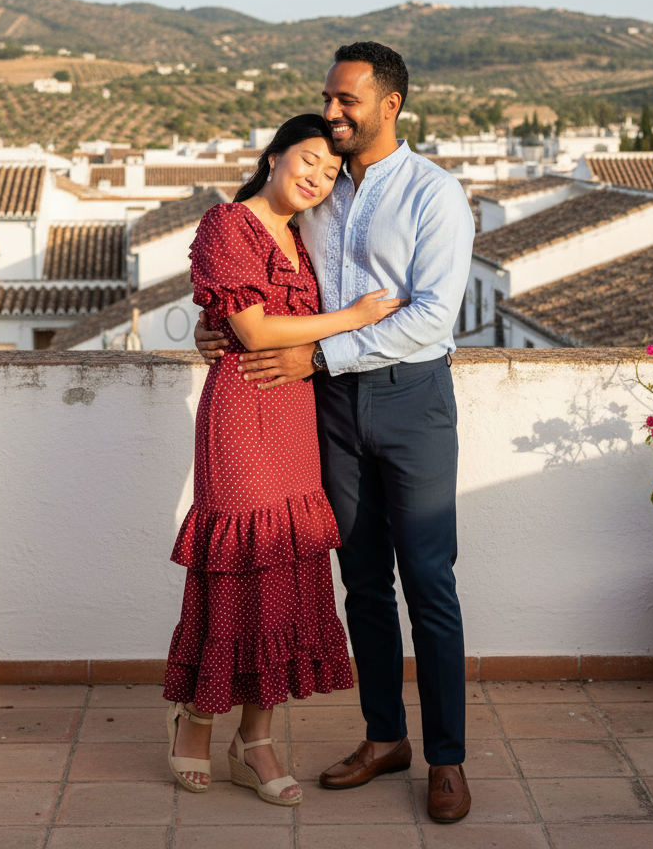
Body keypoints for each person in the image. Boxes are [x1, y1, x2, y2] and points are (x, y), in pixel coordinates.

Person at [194, 42, 476, 823]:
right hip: (329, 412)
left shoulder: (434, 194)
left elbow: (431, 316)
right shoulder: (315, 187)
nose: (333, 111)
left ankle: (447, 758)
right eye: (327, 97)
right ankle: (384, 738)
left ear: (391, 105)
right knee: (362, 584)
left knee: (429, 583)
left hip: (411, 401)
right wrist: (212, 328)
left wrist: (319, 353)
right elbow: (264, 281)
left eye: (348, 99)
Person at [165, 113, 406, 808]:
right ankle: (198, 720)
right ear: (273, 156)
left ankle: (256, 738)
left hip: (297, 414)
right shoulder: (227, 224)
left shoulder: (300, 239)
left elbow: (254, 327)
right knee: (239, 564)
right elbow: (255, 329)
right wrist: (356, 316)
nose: (317, 177)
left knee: (290, 567)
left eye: (330, 172)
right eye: (306, 160)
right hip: (242, 410)